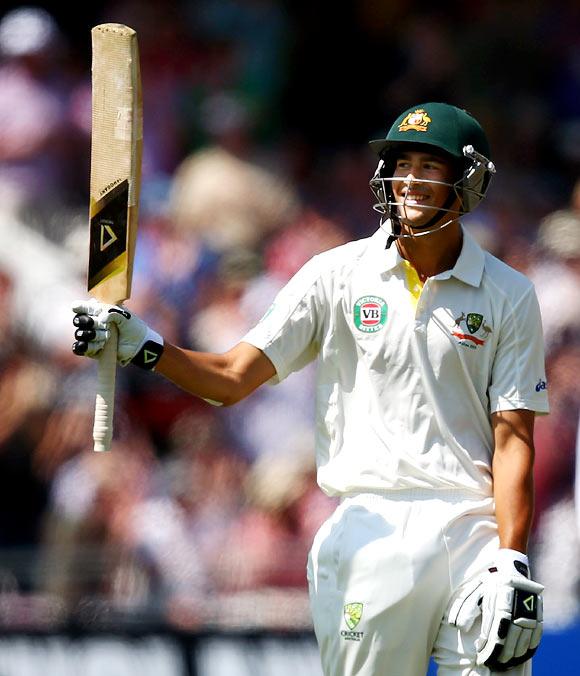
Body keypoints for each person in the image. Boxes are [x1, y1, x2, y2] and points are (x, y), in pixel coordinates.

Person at [72, 102, 549, 675]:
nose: (411, 181)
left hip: (475, 535)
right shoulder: (335, 275)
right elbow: (230, 379)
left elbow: (514, 437)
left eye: (431, 165)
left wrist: (511, 557)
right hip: (373, 529)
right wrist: (144, 346)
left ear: (466, 181)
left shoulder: (510, 293)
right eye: (403, 164)